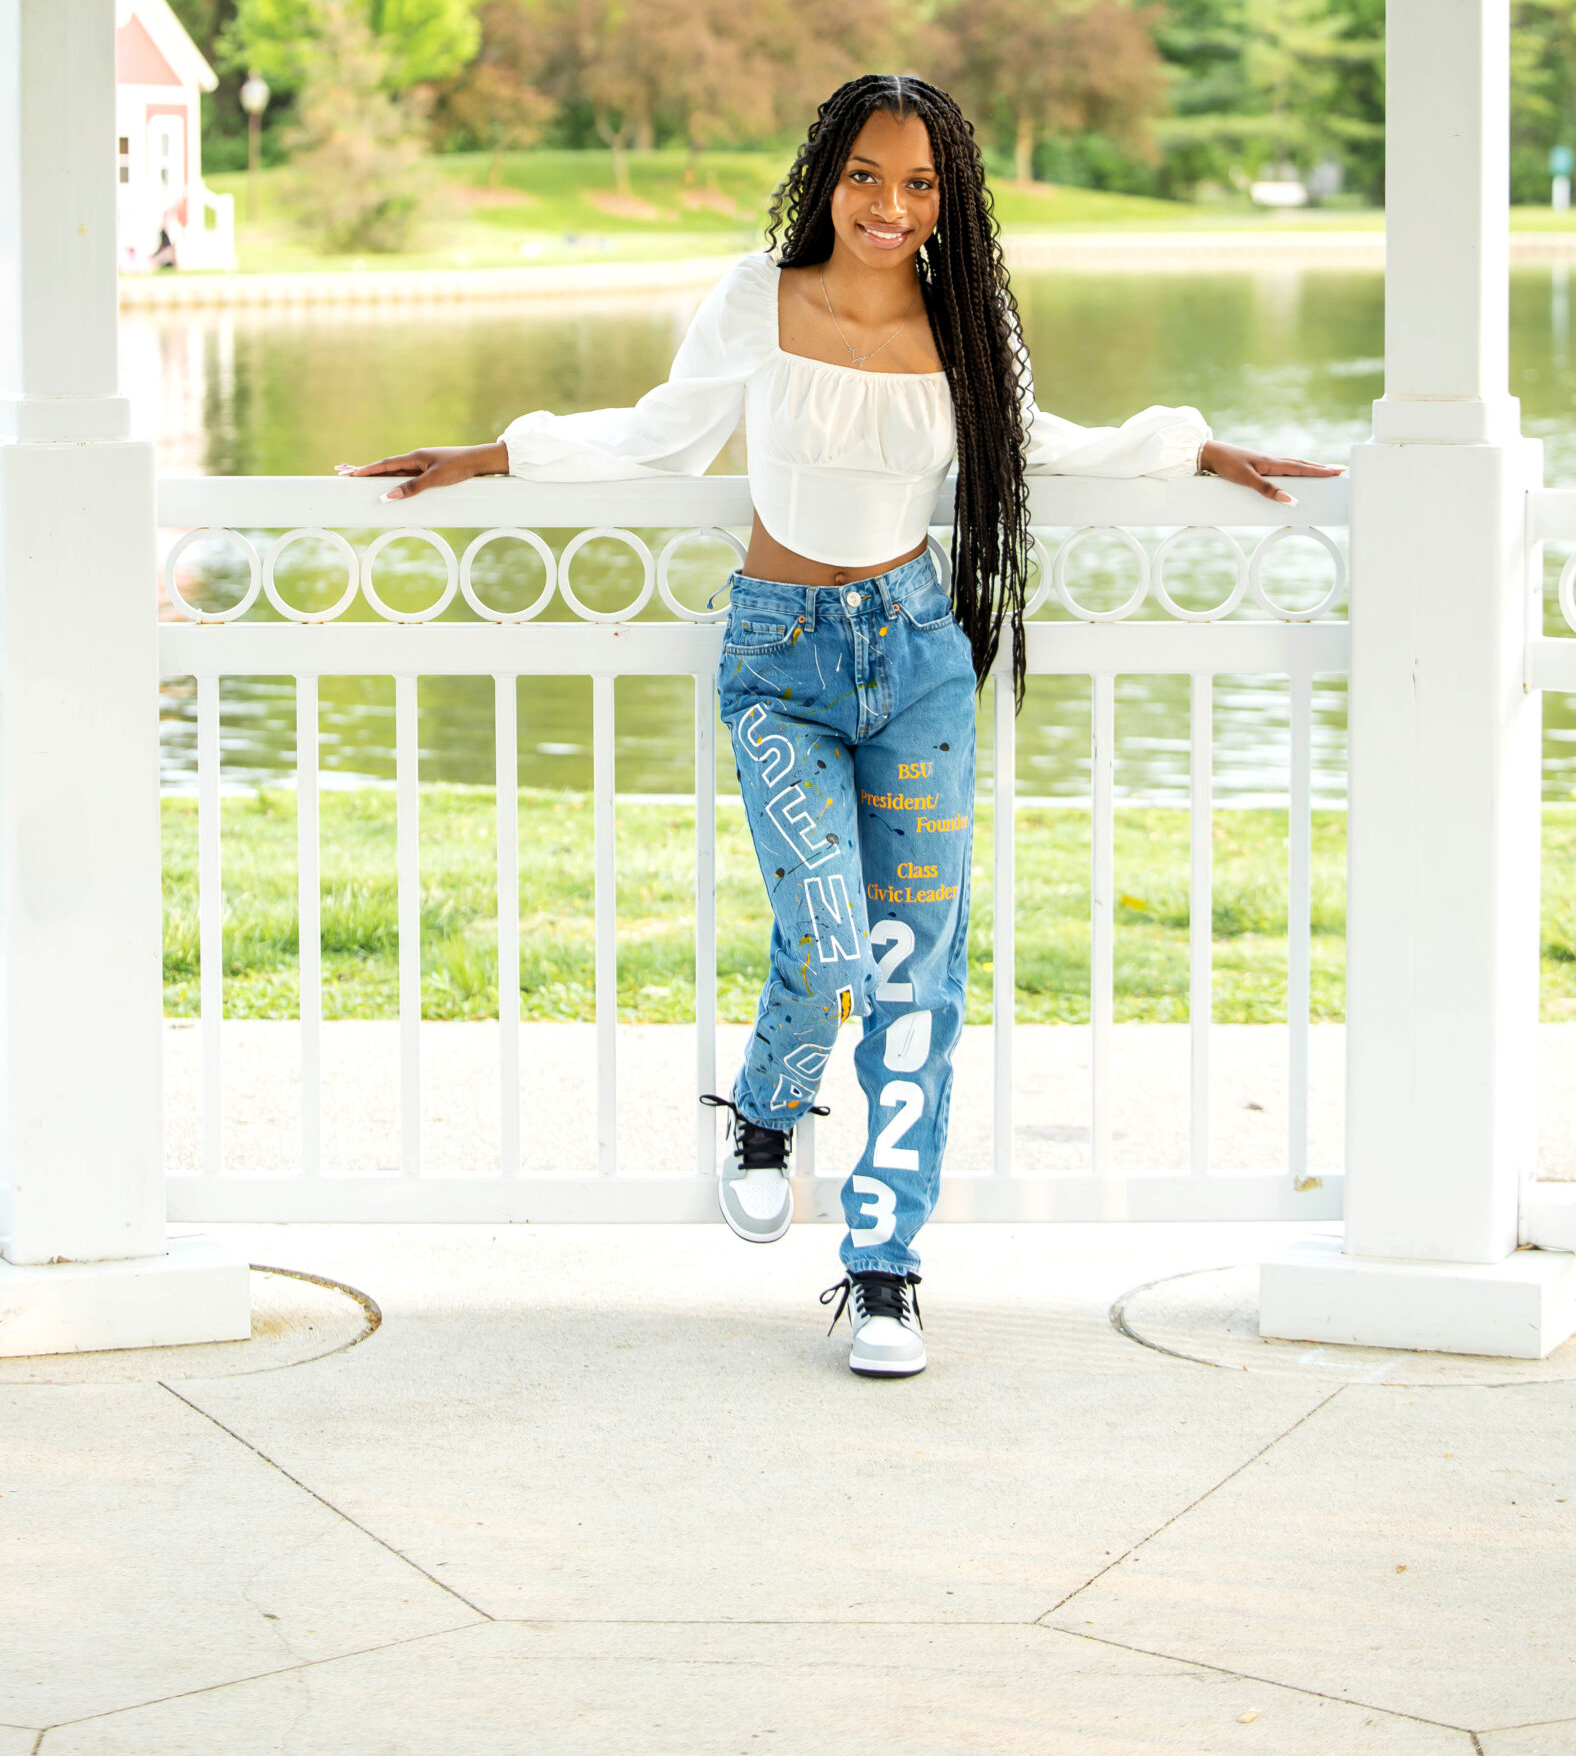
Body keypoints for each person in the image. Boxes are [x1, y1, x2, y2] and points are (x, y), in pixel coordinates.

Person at [339, 74, 1337, 1379]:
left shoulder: (969, 321)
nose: (889, 204)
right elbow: (661, 436)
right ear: (826, 175)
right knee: (823, 928)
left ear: (949, 198)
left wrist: (1197, 449)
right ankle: (763, 1112)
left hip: (919, 657)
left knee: (916, 970)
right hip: (780, 659)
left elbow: (1040, 444)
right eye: (867, 174)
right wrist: (488, 457)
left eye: (919, 183)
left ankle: (884, 1272)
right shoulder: (759, 297)